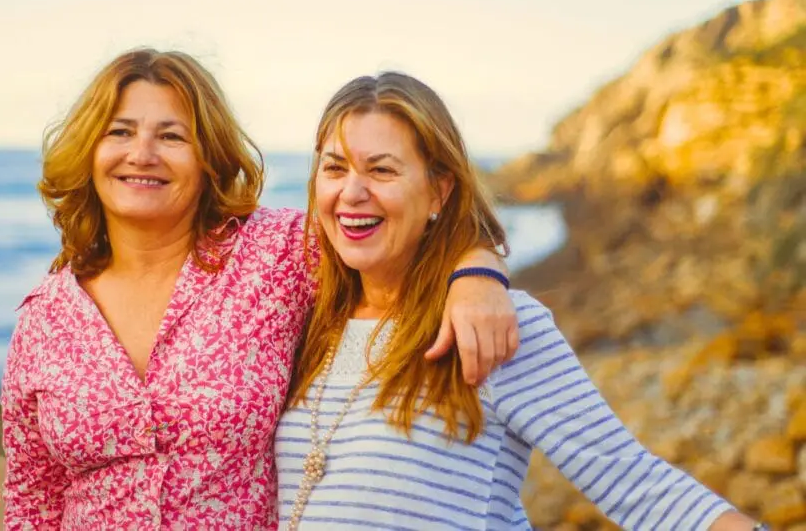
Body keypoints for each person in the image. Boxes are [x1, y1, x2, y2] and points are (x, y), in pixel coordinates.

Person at [0, 49, 520, 530]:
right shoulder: (45, 318)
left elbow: (394, 231)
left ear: (209, 158)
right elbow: (32, 500)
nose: (143, 153)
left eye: (172, 136)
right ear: (89, 152)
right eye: (119, 132)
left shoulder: (275, 254)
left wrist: (477, 272)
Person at [276, 72, 764, 530]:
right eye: (334, 168)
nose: (351, 192)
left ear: (438, 192)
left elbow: (636, 484)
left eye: (382, 170)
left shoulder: (494, 322)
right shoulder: (304, 316)